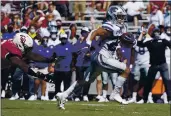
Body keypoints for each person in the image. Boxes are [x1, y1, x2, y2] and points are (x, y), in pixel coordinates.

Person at [56, 6, 135, 109]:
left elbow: (121, 43)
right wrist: (87, 45)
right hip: (103, 57)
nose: (121, 19)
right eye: (119, 16)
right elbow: (94, 32)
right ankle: (115, 94)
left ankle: (63, 95)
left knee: (84, 81)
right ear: (112, 16)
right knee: (126, 70)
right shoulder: (111, 27)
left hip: (99, 57)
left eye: (122, 17)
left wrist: (131, 41)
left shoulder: (121, 27)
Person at [137, 27, 171, 104]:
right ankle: (144, 99)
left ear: (160, 33)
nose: (156, 33)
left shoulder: (163, 41)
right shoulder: (150, 42)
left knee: (167, 82)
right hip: (153, 65)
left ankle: (169, 99)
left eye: (157, 32)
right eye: (155, 32)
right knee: (148, 82)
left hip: (163, 64)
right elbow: (139, 44)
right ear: (152, 33)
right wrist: (142, 34)